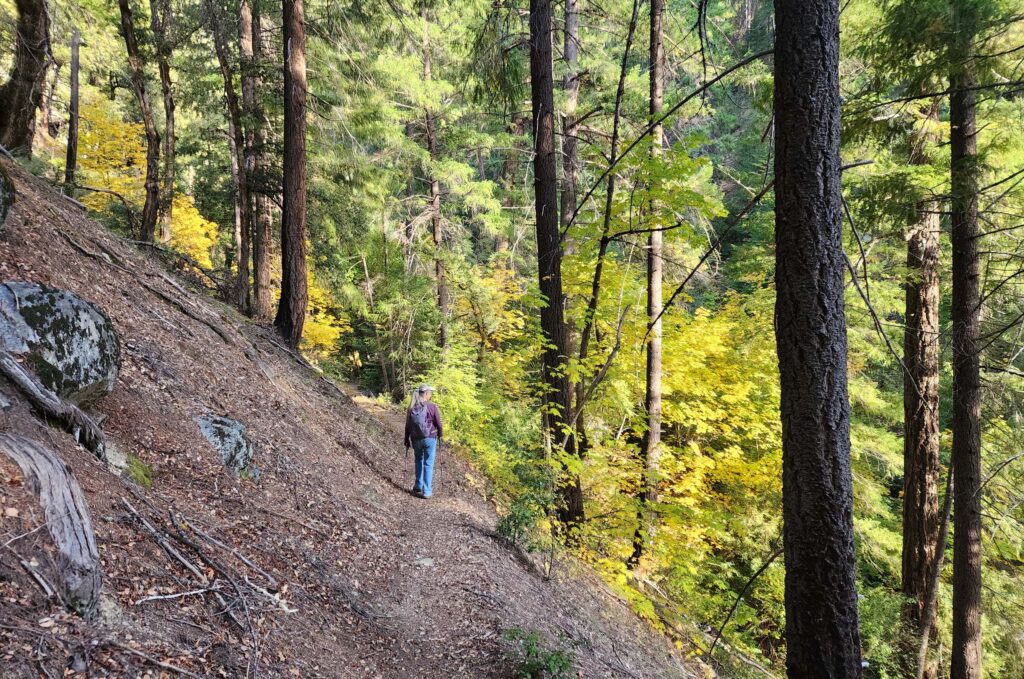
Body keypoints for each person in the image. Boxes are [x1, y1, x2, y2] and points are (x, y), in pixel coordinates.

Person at [404, 384, 443, 498]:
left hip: (416, 439)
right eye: (430, 392)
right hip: (429, 438)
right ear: (425, 394)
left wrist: (406, 439)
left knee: (418, 461)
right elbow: (439, 424)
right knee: (428, 464)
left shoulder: (412, 407)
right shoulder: (432, 407)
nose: (430, 395)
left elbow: (408, 425)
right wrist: (440, 434)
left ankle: (418, 485)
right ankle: (427, 491)